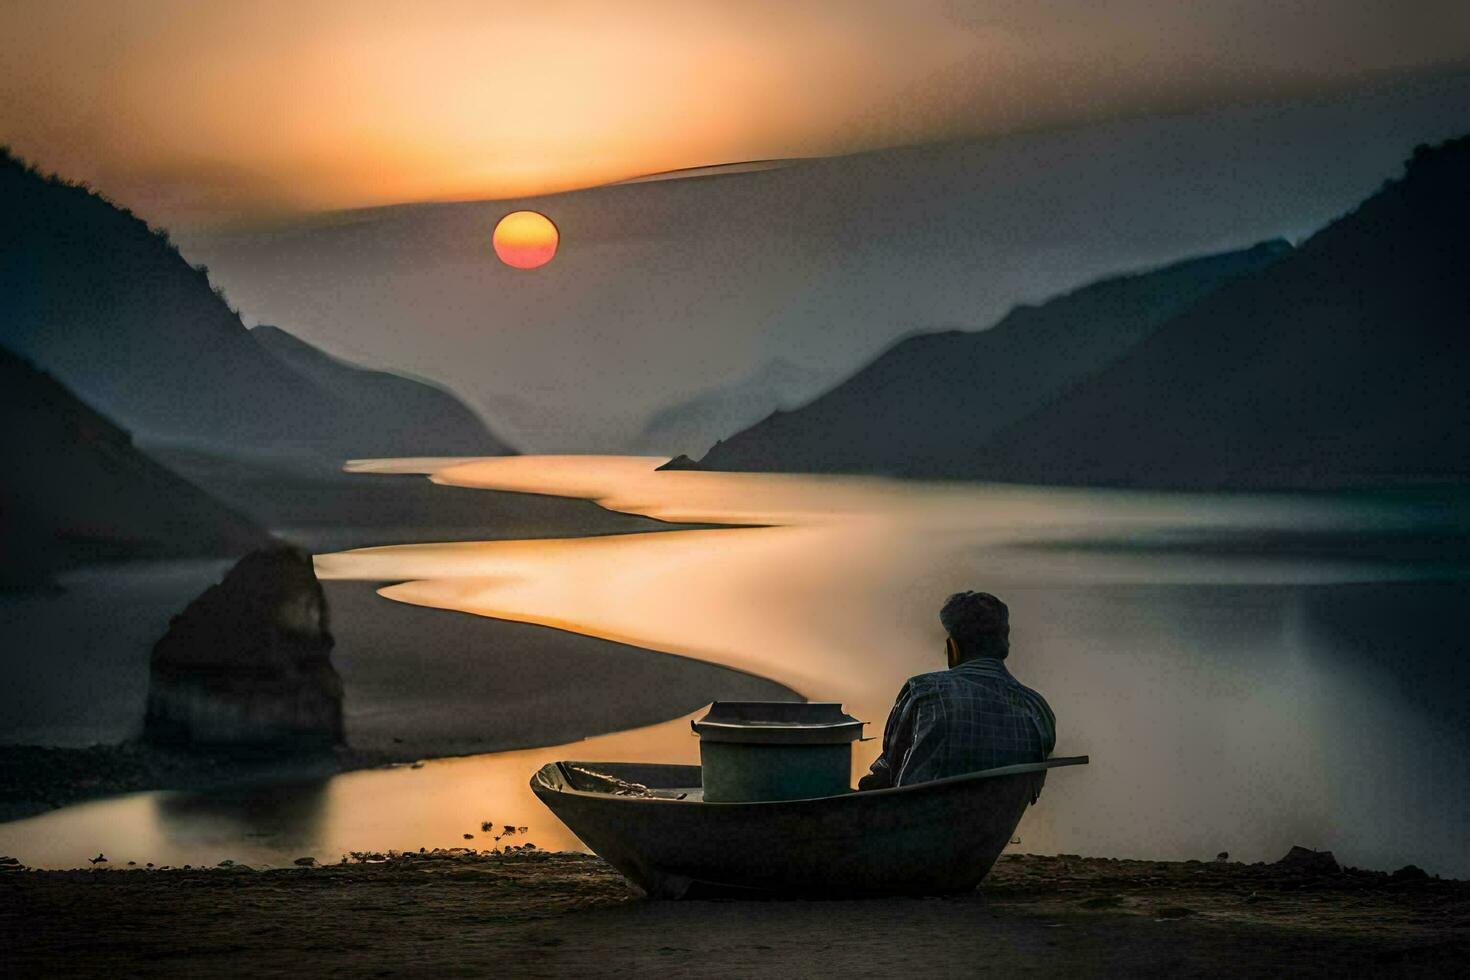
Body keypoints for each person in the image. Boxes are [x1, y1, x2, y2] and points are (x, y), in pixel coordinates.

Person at [858, 591, 1055, 790]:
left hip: (917, 818)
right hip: (998, 820)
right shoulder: (1037, 707)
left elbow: (887, 772)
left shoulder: (925, 691)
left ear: (953, 647)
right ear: (1005, 642)